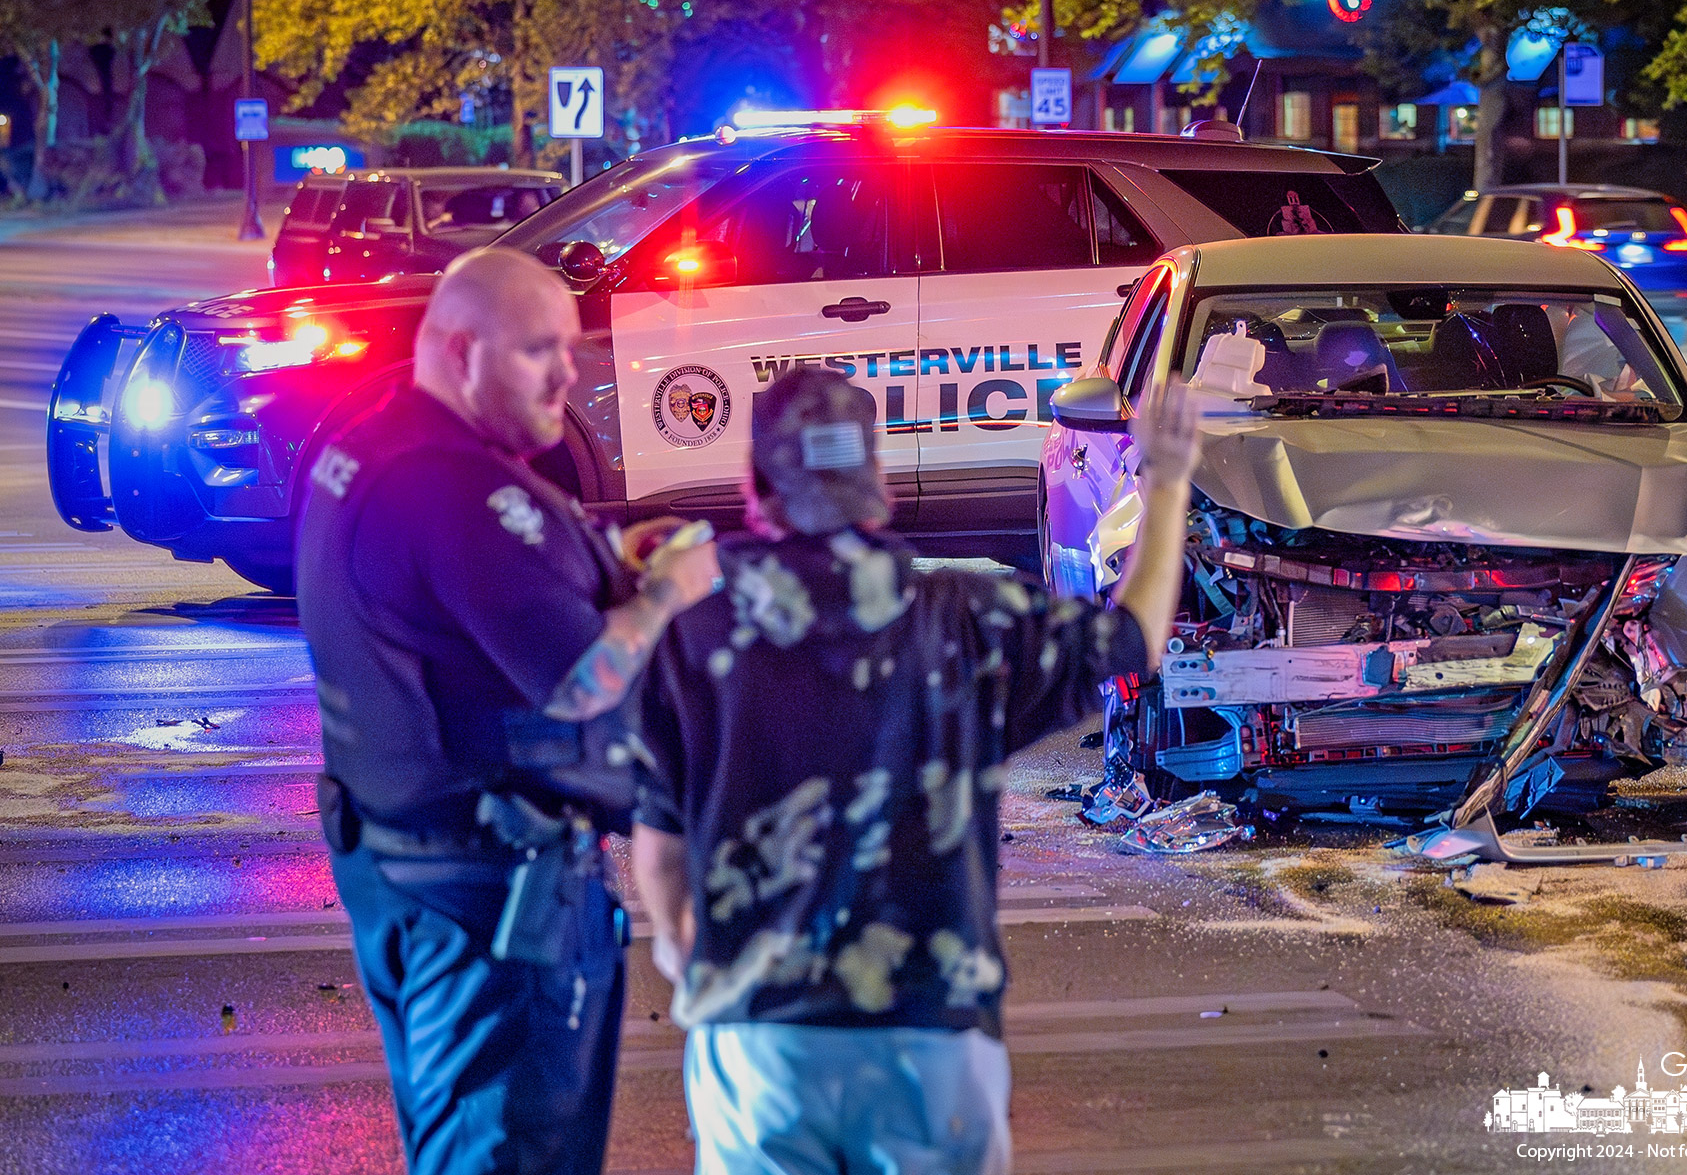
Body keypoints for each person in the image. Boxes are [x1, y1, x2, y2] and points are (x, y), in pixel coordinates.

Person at [627, 364, 1200, 1174]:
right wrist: (1167, 484)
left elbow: (657, 849)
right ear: (878, 482)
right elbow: (1130, 639)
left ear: (757, 486)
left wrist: (692, 956)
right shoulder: (965, 618)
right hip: (929, 1031)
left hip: (759, 1035)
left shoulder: (692, 638)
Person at [295, 247, 718, 1175]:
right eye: (540, 351)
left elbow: (465, 589)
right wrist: (665, 595)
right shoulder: (453, 487)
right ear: (459, 350)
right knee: (507, 1152)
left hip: (407, 869)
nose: (568, 375)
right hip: (492, 896)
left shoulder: (368, 446)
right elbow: (581, 679)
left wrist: (596, 547)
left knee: (459, 1142)